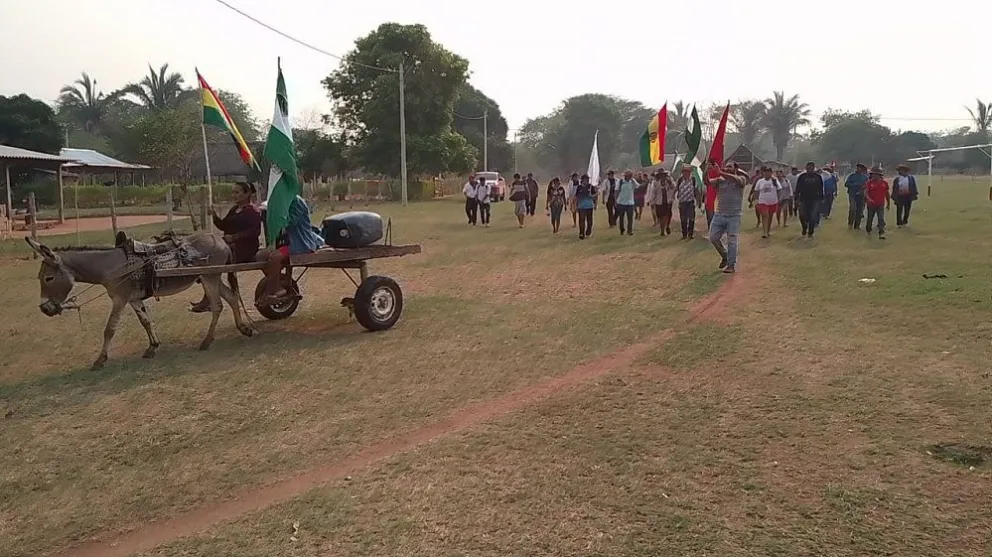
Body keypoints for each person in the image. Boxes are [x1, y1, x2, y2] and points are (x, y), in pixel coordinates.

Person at [191, 182, 262, 312]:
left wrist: (234, 237)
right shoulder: (234, 210)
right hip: (229, 245)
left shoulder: (253, 211)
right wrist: (214, 216)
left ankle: (210, 299)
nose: (233, 195)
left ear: (247, 194)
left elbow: (255, 232)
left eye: (237, 192)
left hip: (245, 248)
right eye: (232, 192)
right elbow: (224, 226)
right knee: (207, 258)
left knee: (213, 262)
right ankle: (209, 298)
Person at [256, 195, 324, 304]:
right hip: (287, 243)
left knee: (275, 257)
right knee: (260, 256)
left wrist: (275, 214)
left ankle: (273, 289)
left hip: (300, 243)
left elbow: (290, 222)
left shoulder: (296, 202)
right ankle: (277, 284)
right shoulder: (281, 200)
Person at [704, 160, 746, 273]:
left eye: (730, 167)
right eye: (726, 166)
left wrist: (720, 172)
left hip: (734, 215)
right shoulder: (719, 181)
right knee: (713, 237)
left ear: (735, 169)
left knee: (732, 240)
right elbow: (707, 182)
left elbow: (736, 179)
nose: (727, 168)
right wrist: (706, 171)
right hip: (720, 214)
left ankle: (731, 265)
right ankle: (725, 255)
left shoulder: (740, 179)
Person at [794, 162, 824, 239]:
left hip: (815, 199)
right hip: (803, 199)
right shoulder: (802, 177)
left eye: (811, 168)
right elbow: (798, 188)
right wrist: (796, 198)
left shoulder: (818, 177)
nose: (810, 169)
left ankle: (811, 231)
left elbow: (820, 188)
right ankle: (804, 227)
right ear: (806, 168)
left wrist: (821, 198)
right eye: (808, 167)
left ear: (814, 168)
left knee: (813, 216)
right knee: (802, 215)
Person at [753, 166, 781, 239]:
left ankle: (768, 231)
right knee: (765, 215)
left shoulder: (775, 181)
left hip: (772, 201)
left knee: (770, 216)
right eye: (765, 172)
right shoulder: (760, 181)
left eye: (768, 172)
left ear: (771, 173)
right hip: (763, 201)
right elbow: (756, 191)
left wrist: (779, 199)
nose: (767, 173)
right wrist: (756, 199)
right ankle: (764, 232)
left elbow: (779, 190)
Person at [647, 169, 675, 236]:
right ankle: (662, 229)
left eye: (663, 175)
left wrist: (670, 183)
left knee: (667, 215)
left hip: (668, 201)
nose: (662, 177)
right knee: (660, 216)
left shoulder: (669, 181)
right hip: (659, 202)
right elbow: (653, 192)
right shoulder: (655, 183)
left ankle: (666, 227)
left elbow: (674, 188)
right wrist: (651, 201)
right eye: (661, 175)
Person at [864, 167, 890, 239]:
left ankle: (881, 233)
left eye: (875, 175)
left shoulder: (884, 183)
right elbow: (865, 193)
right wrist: (869, 199)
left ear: (879, 175)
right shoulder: (869, 183)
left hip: (880, 204)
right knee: (870, 218)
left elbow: (887, 194)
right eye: (872, 175)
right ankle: (868, 230)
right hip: (871, 204)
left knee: (881, 218)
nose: (873, 176)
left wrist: (888, 204)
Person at [675, 165, 698, 239]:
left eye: (688, 172)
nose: (686, 173)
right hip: (682, 202)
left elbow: (696, 190)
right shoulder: (680, 180)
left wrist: (698, 200)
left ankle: (690, 234)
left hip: (690, 201)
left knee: (691, 218)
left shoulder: (693, 179)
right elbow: (676, 189)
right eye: (685, 172)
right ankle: (684, 234)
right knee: (683, 218)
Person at [844, 163, 869, 229]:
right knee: (853, 208)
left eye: (860, 168)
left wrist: (864, 187)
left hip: (861, 195)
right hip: (852, 194)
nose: (859, 169)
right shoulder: (851, 176)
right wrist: (855, 184)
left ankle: (857, 225)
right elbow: (846, 184)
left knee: (860, 210)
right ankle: (850, 222)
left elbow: (867, 185)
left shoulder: (865, 177)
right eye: (858, 168)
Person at [615, 170, 638, 235]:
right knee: (621, 217)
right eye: (629, 176)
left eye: (631, 176)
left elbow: (637, 186)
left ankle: (629, 230)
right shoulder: (620, 182)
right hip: (621, 202)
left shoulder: (632, 181)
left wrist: (634, 181)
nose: (630, 177)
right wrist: (616, 200)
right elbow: (616, 191)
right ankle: (622, 229)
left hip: (630, 202)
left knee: (630, 217)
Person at [575, 174, 597, 239]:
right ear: (582, 180)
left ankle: (588, 231)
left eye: (587, 180)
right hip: (581, 207)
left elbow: (595, 196)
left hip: (589, 206)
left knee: (589, 221)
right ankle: (581, 233)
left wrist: (594, 198)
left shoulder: (591, 187)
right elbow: (577, 197)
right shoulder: (579, 188)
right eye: (585, 180)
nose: (586, 181)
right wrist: (576, 206)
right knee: (581, 220)